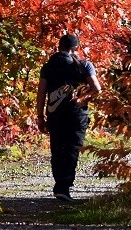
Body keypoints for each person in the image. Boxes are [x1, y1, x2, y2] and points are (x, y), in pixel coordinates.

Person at [36, 34, 101, 202]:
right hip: (76, 114)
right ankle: (64, 186)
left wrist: (40, 116)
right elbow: (97, 89)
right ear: (75, 48)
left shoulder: (48, 67)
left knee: (57, 149)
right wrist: (83, 98)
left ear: (59, 47)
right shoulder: (84, 65)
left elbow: (41, 93)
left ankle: (60, 185)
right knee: (72, 149)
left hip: (54, 113)